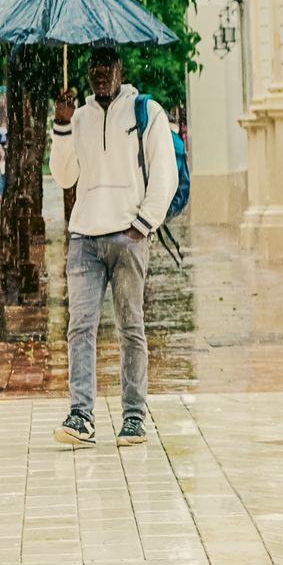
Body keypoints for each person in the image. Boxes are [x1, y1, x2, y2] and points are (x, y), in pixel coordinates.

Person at [49, 46, 177, 447]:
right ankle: (81, 414)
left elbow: (165, 172)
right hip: (85, 238)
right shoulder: (80, 117)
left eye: (108, 66)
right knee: (79, 327)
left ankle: (135, 416)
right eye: (94, 67)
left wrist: (144, 223)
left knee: (130, 327)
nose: (101, 74)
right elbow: (64, 176)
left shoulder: (147, 112)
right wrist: (62, 126)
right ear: (86, 74)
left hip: (128, 236)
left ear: (121, 70)